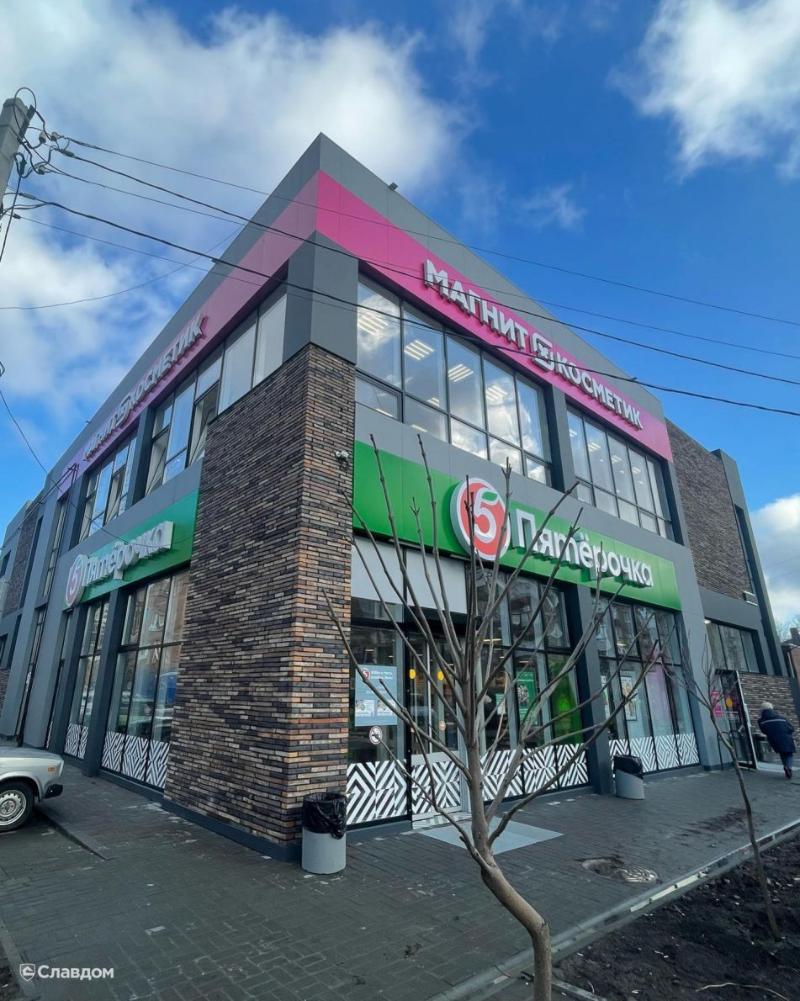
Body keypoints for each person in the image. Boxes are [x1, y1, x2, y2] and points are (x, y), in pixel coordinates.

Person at [758, 702, 796, 779]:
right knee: (789, 754)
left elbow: (764, 731)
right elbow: (791, 728)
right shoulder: (781, 718)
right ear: (772, 708)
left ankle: (785, 767)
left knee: (782, 753)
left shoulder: (761, 721)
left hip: (773, 739)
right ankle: (788, 767)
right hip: (786, 738)